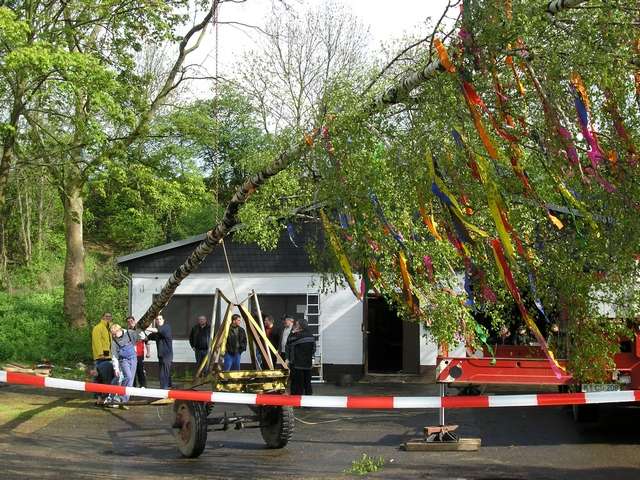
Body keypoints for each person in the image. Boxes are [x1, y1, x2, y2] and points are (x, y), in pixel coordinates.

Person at [104, 323, 141, 408]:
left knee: (130, 380)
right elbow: (114, 356)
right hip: (123, 360)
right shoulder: (114, 342)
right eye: (112, 334)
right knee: (127, 376)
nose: (113, 335)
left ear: (119, 330)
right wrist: (116, 368)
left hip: (133, 358)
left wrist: (142, 334)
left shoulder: (129, 333)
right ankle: (118, 396)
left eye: (114, 333)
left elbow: (139, 338)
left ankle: (123, 401)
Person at [286, 319, 316, 395]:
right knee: (307, 384)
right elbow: (314, 349)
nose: (296, 326)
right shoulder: (311, 336)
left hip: (297, 365)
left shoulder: (297, 336)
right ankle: (308, 403)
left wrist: (292, 332)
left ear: (300, 326)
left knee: (298, 384)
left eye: (297, 324)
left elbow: (289, 342)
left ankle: (297, 403)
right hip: (308, 364)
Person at [91, 312, 114, 406]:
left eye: (109, 316)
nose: (108, 318)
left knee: (107, 378)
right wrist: (101, 354)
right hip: (101, 358)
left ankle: (105, 398)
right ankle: (98, 398)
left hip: (109, 357)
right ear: (102, 317)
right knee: (98, 378)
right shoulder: (98, 327)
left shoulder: (111, 328)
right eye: (106, 316)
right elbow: (97, 342)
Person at [147, 315, 173, 389]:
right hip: (161, 355)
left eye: (160, 319)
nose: (159, 320)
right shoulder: (156, 332)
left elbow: (157, 330)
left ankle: (163, 390)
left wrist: (146, 328)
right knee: (165, 373)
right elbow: (146, 338)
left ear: (163, 320)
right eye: (157, 319)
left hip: (167, 355)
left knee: (163, 374)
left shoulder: (166, 327)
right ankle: (169, 387)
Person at [127, 316, 149, 388]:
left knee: (140, 370)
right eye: (128, 322)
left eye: (131, 321)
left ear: (134, 321)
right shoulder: (126, 332)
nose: (130, 323)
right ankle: (132, 386)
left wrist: (148, 352)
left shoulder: (139, 330)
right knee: (132, 371)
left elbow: (146, 341)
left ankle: (143, 385)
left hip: (139, 354)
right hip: (131, 355)